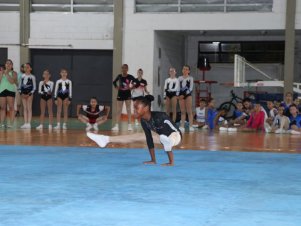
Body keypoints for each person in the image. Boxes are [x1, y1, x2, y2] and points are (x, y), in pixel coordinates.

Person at [87, 95, 182, 166]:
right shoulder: (144, 121)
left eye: (136, 108)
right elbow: (149, 139)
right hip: (163, 138)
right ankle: (106, 139)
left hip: (176, 136)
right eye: (134, 108)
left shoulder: (160, 117)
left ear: (146, 108)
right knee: (140, 136)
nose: (134, 111)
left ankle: (169, 147)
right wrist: (153, 160)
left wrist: (171, 162)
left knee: (169, 138)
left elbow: (171, 134)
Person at [112, 64, 135, 131]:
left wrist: (131, 87)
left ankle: (129, 125)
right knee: (119, 110)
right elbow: (114, 82)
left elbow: (136, 82)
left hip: (127, 94)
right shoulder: (119, 76)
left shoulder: (130, 76)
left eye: (125, 68)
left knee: (128, 109)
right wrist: (117, 87)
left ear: (127, 69)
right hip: (120, 94)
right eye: (123, 68)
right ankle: (116, 125)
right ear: (121, 69)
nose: (124, 69)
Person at [0, 59, 18, 128]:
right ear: (5, 65)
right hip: (2, 91)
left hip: (10, 91)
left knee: (11, 107)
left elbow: (12, 82)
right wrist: (2, 73)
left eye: (10, 64)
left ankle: (11, 123)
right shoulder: (1, 72)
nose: (8, 65)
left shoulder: (14, 73)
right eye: (7, 63)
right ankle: (2, 123)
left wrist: (7, 73)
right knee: (2, 108)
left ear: (12, 65)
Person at [19, 63, 36, 129]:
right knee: (25, 108)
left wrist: (29, 94)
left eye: (28, 67)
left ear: (30, 69)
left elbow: (34, 87)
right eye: (25, 67)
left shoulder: (32, 77)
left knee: (29, 108)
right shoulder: (22, 76)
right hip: (23, 94)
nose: (26, 68)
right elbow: (19, 86)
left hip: (29, 94)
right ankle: (25, 123)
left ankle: (29, 123)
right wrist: (21, 93)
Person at [177, 65, 194, 132]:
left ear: (189, 71)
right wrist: (178, 95)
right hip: (181, 95)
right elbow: (178, 87)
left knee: (189, 111)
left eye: (186, 69)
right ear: (182, 70)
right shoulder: (179, 78)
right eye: (184, 69)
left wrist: (183, 95)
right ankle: (182, 126)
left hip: (187, 95)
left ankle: (191, 126)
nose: (185, 70)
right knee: (183, 111)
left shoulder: (190, 78)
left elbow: (191, 88)